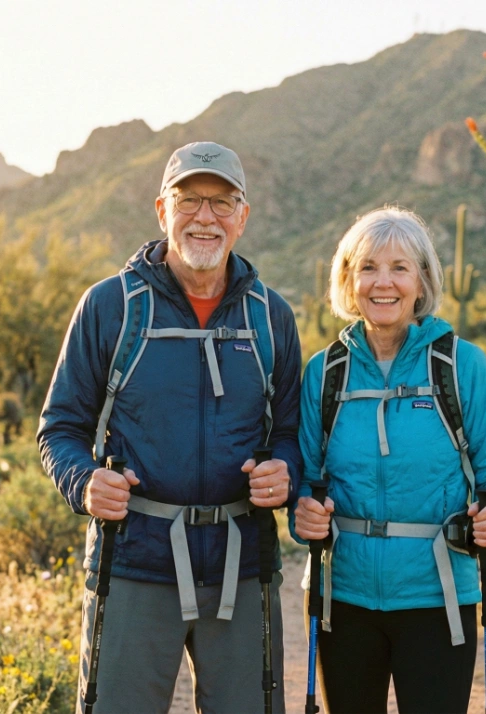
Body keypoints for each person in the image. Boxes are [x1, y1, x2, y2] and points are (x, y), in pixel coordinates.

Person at [38, 141, 302, 713]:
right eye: (189, 200)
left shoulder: (270, 315)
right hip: (134, 560)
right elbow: (59, 427)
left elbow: (290, 431)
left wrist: (286, 470)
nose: (204, 217)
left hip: (243, 566)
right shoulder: (111, 307)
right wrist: (84, 483)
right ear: (163, 210)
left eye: (222, 202)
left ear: (243, 217)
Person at [293, 206, 486, 713]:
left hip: (437, 597)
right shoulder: (324, 372)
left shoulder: (462, 366)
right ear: (348, 280)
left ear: (422, 280)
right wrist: (300, 514)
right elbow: (306, 482)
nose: (384, 282)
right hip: (343, 601)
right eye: (368, 267)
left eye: (400, 267)